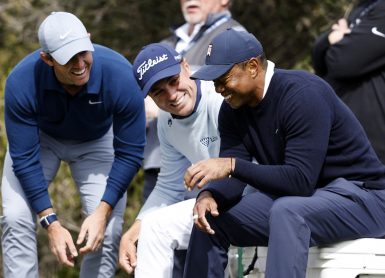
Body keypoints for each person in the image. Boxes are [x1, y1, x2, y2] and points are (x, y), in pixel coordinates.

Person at [182, 28, 385, 278]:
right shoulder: (232, 110)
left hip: (364, 198)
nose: (218, 88)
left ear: (253, 67)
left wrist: (232, 165)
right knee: (209, 219)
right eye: (214, 81)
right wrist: (210, 195)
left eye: (223, 78)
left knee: (288, 211)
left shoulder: (302, 94)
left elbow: (299, 181)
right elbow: (234, 178)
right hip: (311, 197)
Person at [1, 11, 146, 278]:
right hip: (40, 141)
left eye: (83, 53)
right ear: (47, 59)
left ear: (89, 40)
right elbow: (23, 159)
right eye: (68, 58)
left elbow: (131, 153)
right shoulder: (21, 82)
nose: (80, 64)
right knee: (15, 215)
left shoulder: (121, 75)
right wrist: (51, 222)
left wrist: (102, 211)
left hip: (97, 140)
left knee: (109, 225)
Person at [118, 43, 224, 278]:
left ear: (186, 66)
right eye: (158, 92)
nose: (172, 95)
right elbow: (168, 186)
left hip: (257, 193)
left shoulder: (218, 93)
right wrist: (136, 229)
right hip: (217, 203)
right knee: (151, 228)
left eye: (173, 81)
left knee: (157, 228)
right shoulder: (166, 121)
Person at [142, 0, 245, 203]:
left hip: (212, 167)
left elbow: (238, 88)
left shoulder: (233, 35)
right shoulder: (166, 44)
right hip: (159, 164)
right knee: (148, 227)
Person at [312, 0, 385, 163]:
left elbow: (341, 62)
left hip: (372, 152)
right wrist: (330, 41)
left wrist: (335, 43)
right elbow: (318, 57)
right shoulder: (362, 8)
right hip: (340, 144)